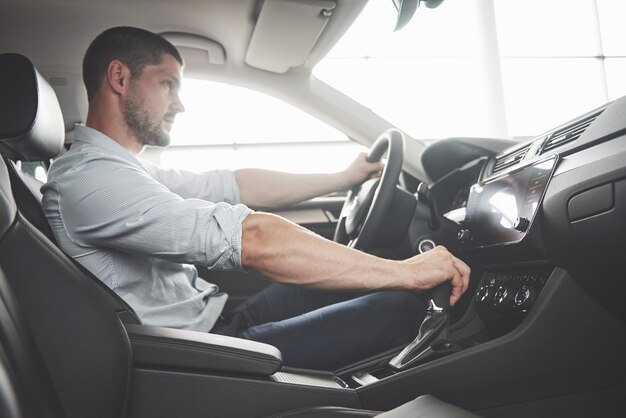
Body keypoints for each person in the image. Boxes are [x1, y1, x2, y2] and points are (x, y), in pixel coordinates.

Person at [42, 26, 470, 370]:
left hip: (217, 321)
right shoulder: (91, 180)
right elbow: (256, 239)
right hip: (201, 354)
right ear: (119, 77)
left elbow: (238, 185)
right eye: (168, 84)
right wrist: (404, 271)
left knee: (368, 278)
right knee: (396, 309)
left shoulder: (123, 170)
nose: (179, 104)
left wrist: (344, 177)